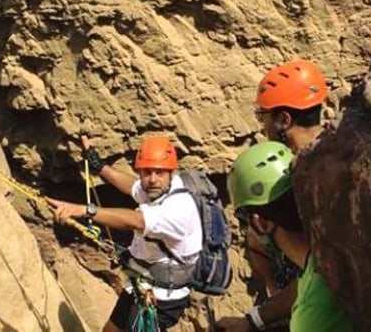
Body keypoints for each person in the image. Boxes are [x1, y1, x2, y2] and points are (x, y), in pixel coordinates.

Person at [216, 59, 329, 331]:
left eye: (263, 115)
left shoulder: (309, 175)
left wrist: (254, 320)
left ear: (283, 120)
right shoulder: (335, 151)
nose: (262, 125)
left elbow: (320, 269)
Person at [49, 135, 202, 332]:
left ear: (171, 173)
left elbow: (134, 221)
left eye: (159, 172)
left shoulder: (178, 208)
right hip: (140, 284)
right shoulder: (161, 186)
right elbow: (133, 187)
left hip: (162, 298)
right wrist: (99, 166)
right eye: (147, 172)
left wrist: (84, 210)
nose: (153, 179)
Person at [227, 142, 352, 332]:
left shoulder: (312, 315)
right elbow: (299, 287)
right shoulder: (333, 248)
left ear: (261, 223)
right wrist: (252, 321)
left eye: (246, 224)